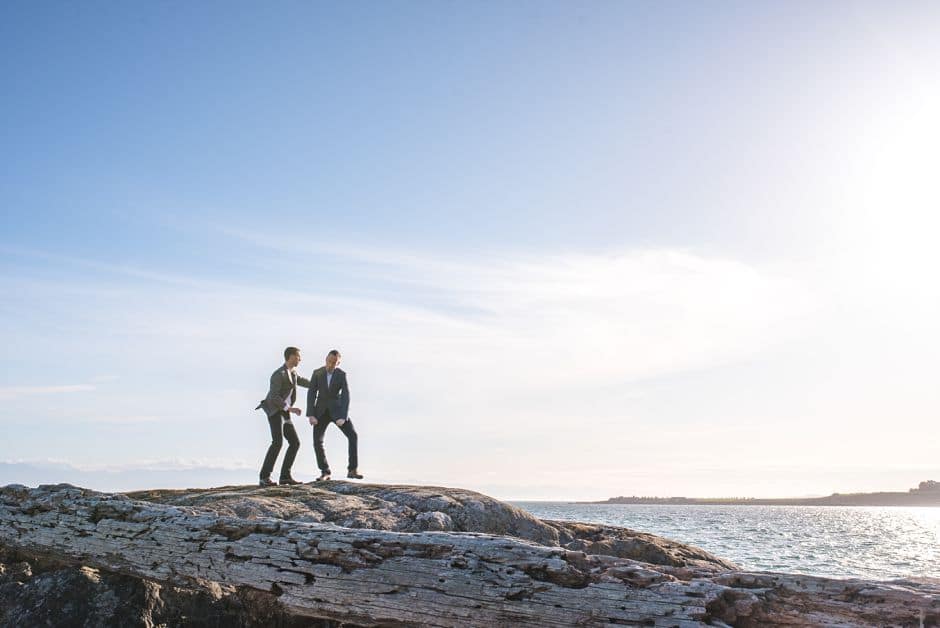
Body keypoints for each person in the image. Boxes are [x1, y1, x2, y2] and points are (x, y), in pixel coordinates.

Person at [256, 346, 310, 486]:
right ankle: (264, 477)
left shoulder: (293, 373)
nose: (300, 359)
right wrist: (290, 408)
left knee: (294, 443)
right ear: (291, 356)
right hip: (274, 410)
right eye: (298, 356)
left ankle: (285, 476)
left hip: (284, 411)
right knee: (277, 442)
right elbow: (274, 397)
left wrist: (319, 385)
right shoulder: (278, 374)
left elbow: (304, 382)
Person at [307, 349, 362, 481]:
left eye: (334, 362)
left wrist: (343, 416)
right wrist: (311, 414)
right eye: (329, 361)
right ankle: (325, 472)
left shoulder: (341, 375)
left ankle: (352, 470)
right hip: (320, 412)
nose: (331, 364)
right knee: (317, 442)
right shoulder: (317, 373)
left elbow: (346, 396)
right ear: (326, 359)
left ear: (338, 363)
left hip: (337, 411)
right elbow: (311, 394)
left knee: (353, 436)